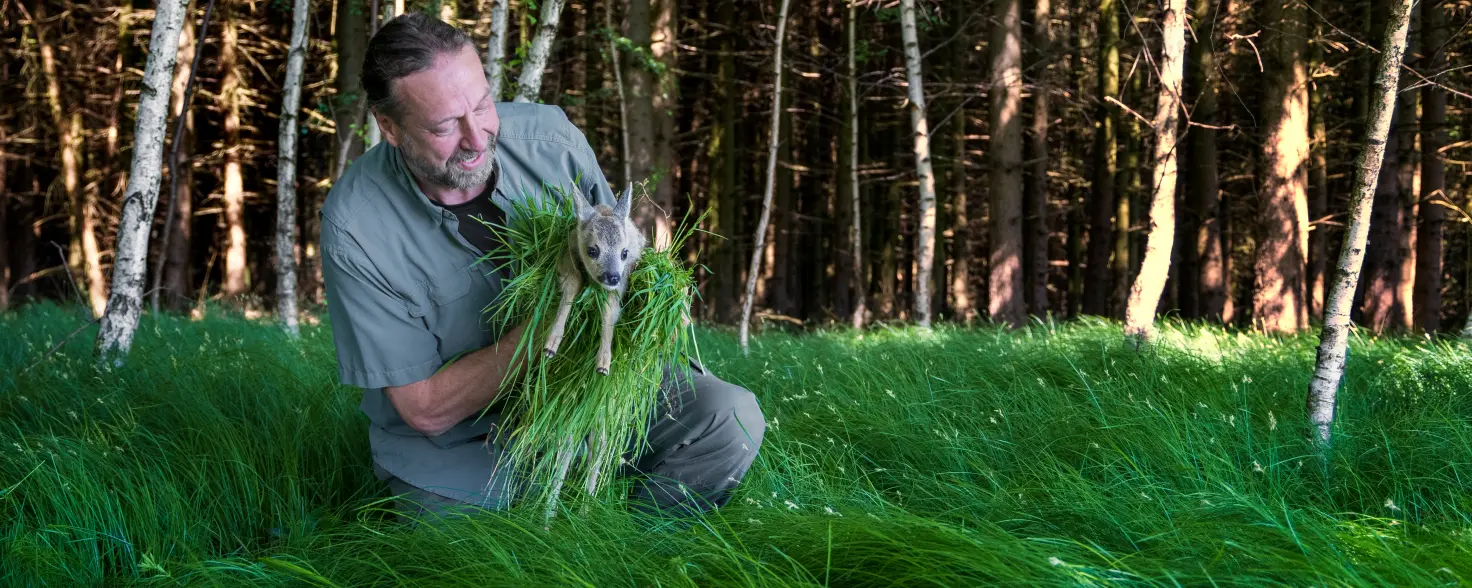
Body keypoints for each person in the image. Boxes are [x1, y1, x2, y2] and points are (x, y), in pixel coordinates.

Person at [319, 13, 765, 519]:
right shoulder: (355, 227)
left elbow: (622, 250)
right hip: (466, 444)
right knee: (482, 558)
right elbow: (426, 408)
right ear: (391, 128)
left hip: (595, 388)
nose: (477, 136)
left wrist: (656, 290)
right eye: (445, 126)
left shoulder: (551, 141)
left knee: (728, 417)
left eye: (483, 105)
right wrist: (553, 327)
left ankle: (647, 554)